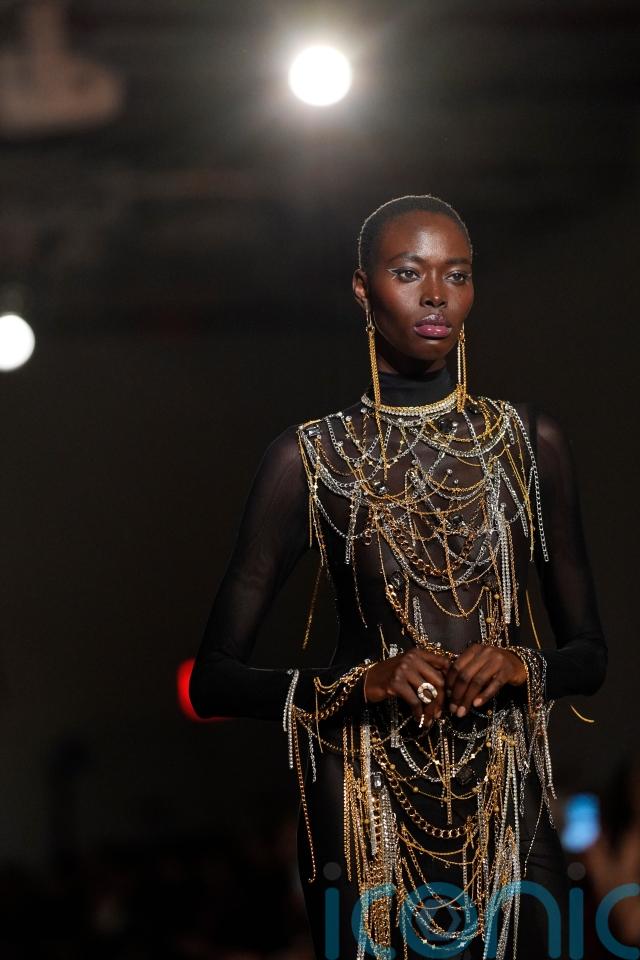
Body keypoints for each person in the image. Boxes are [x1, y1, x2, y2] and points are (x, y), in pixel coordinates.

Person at [189, 195, 607, 959]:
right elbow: (213, 680)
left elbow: (591, 656)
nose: (436, 296)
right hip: (362, 801)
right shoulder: (310, 459)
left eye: (458, 274)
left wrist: (522, 663)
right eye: (410, 273)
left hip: (503, 792)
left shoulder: (528, 444)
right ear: (362, 288)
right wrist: (364, 682)